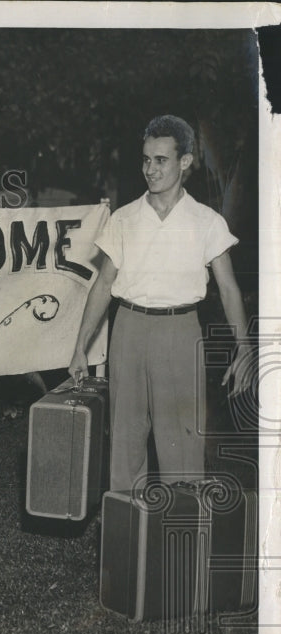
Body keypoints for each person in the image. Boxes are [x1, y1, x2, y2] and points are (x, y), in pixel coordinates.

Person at [68, 114, 254, 492]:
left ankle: (181, 543)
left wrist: (245, 349)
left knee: (182, 446)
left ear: (185, 161)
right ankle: (129, 540)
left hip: (180, 332)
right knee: (125, 443)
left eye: (160, 160)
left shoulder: (207, 221)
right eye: (145, 159)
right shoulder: (123, 219)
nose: (149, 169)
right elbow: (103, 284)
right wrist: (79, 348)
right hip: (129, 331)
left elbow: (230, 289)